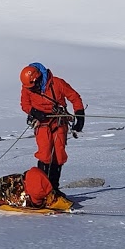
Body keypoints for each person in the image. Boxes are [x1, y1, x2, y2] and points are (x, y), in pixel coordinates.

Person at [19, 62, 85, 193]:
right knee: (44, 154)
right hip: (42, 124)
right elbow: (24, 104)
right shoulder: (27, 87)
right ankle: (41, 189)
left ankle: (54, 189)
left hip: (59, 123)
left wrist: (80, 115)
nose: (31, 89)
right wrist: (35, 112)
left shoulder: (57, 83)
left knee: (59, 155)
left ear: (37, 78)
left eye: (33, 86)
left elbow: (74, 97)